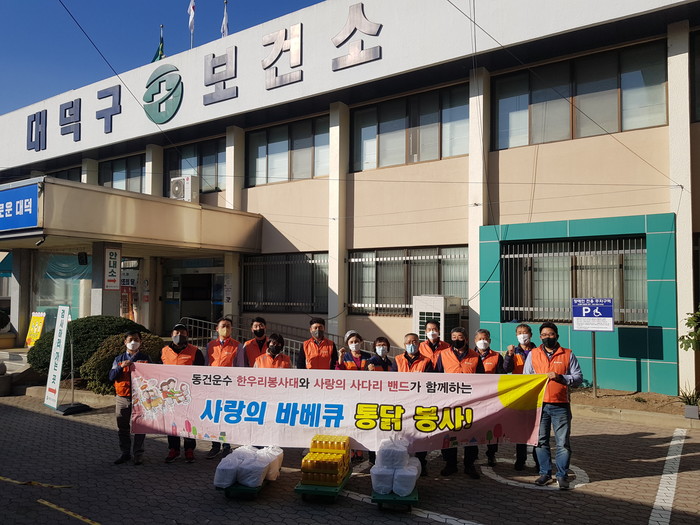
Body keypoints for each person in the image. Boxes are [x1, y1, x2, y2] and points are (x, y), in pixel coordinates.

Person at [524, 322, 583, 490]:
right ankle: (545, 473)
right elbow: (526, 377)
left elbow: (578, 378)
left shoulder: (567, 354)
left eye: (550, 334)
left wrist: (561, 377)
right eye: (544, 335)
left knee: (562, 442)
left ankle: (562, 476)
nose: (547, 337)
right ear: (540, 337)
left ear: (557, 335)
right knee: (540, 441)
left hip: (560, 405)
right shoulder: (533, 354)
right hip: (540, 406)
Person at [434, 327, 485, 479]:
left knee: (471, 435)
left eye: (460, 337)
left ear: (466, 339)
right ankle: (451, 464)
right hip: (449, 401)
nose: (457, 339)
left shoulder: (475, 356)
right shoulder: (443, 354)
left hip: (470, 403)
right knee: (449, 434)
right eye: (454, 337)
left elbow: (482, 379)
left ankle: (469, 465)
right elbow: (436, 376)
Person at [161, 323, 205, 463]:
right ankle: (174, 449)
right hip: (170, 395)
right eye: (176, 332)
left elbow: (200, 373)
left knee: (189, 422)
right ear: (171, 335)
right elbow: (156, 371)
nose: (179, 335)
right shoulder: (164, 351)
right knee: (172, 422)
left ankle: (189, 449)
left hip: (188, 395)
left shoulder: (195, 351)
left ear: (187, 335)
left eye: (182, 332)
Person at [392, 332, 433, 476]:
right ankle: (400, 461)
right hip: (401, 403)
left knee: (421, 434)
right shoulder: (397, 360)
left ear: (419, 344)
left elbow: (429, 382)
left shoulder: (427, 361)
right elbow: (391, 380)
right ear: (404, 345)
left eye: (415, 342)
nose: (412, 344)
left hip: (420, 403)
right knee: (401, 434)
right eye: (409, 342)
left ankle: (422, 463)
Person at [109, 331, 151, 465]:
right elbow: (111, 376)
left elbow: (152, 376)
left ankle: (138, 454)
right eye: (130, 339)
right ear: (125, 342)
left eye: (136, 339)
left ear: (140, 342)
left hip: (140, 398)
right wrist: (121, 367)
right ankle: (125, 453)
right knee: (122, 427)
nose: (133, 342)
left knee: (140, 427)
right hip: (122, 397)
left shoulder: (145, 358)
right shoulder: (119, 359)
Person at [205, 317, 241, 460]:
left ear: (231, 329)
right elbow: (206, 365)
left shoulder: (237, 346)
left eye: (228, 326)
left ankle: (226, 446)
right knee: (214, 417)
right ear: (217, 329)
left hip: (229, 388)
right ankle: (215, 446)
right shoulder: (210, 345)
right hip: (213, 387)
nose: (225, 328)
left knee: (226, 417)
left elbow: (240, 368)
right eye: (223, 326)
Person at [504, 323, 538, 471]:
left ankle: (538, 460)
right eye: (519, 332)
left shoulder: (538, 351)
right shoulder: (514, 351)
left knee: (537, 428)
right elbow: (506, 369)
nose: (522, 335)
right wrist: (509, 355)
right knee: (520, 429)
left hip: (536, 392)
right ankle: (520, 459)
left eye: (525, 332)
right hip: (520, 393)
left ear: (531, 334)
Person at [474, 329, 504, 467]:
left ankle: (491, 455)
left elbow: (501, 376)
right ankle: (473, 455)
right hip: (474, 398)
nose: (483, 341)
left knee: (492, 428)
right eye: (480, 339)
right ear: (475, 340)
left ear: (490, 340)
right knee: (473, 427)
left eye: (485, 339)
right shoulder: (470, 355)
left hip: (492, 398)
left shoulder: (497, 356)